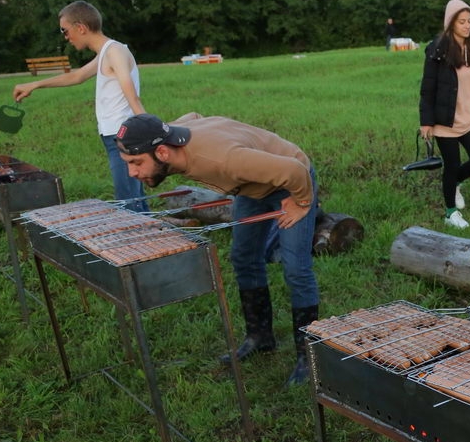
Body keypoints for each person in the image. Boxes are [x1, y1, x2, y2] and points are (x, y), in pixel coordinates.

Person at [115, 112, 320, 387]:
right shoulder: (175, 139)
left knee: (296, 268)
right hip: (251, 186)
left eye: (136, 163)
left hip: (291, 181)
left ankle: (309, 358)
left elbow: (294, 171)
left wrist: (303, 202)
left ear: (163, 152)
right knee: (243, 258)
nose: (132, 172)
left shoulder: (223, 160)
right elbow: (195, 116)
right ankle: (260, 337)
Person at [13, 0, 148, 212]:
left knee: (128, 201)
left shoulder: (115, 52)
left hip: (123, 136)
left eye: (65, 31)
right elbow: (77, 76)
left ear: (81, 27)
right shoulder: (106, 52)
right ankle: (149, 236)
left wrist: (149, 128)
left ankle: (141, 241)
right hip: (115, 136)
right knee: (132, 197)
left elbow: (131, 96)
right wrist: (35, 84)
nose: (66, 37)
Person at [419, 0, 470, 229]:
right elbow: (428, 87)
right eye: (461, 22)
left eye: (469, 21)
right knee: (451, 166)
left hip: (469, 118)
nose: (467, 26)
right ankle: (450, 213)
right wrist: (426, 122)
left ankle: (455, 183)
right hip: (445, 122)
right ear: (451, 23)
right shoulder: (438, 50)